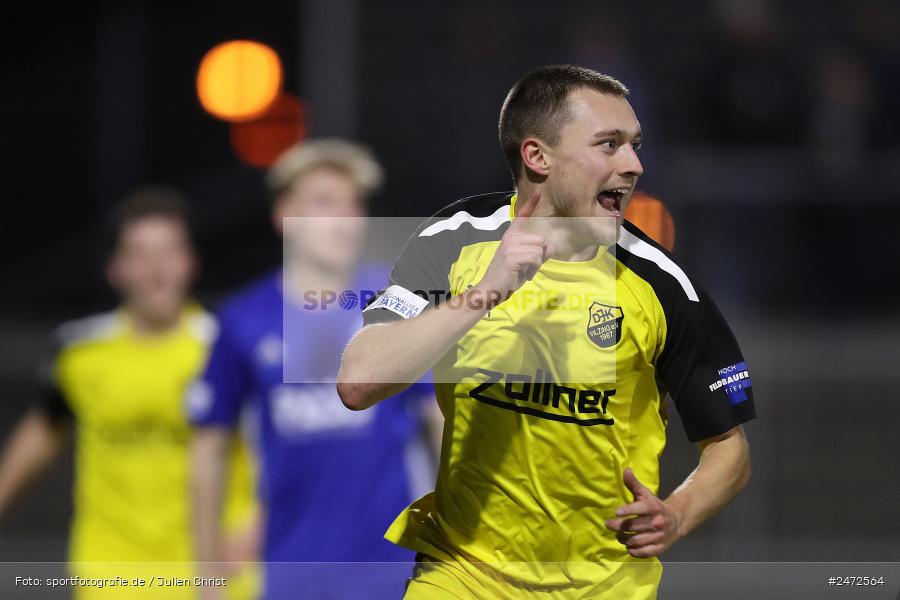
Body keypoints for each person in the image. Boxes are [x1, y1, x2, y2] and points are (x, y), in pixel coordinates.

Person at [338, 65, 756, 598]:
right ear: (538, 157)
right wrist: (484, 294)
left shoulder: (662, 283)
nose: (633, 165)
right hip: (461, 574)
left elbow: (729, 447)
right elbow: (359, 382)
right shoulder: (454, 240)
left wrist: (677, 514)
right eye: (609, 145)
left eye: (634, 145)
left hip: (603, 586)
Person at [189, 139, 440, 600]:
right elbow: (209, 448)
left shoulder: (398, 304)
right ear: (284, 215)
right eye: (324, 202)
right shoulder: (243, 319)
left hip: (397, 574)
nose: (345, 218)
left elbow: (444, 420)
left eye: (354, 204)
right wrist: (207, 581)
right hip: (291, 574)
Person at [0, 188, 259, 600]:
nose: (157, 269)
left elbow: (278, 438)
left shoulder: (227, 347)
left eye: (169, 251)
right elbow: (48, 425)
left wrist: (259, 521)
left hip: (215, 576)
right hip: (111, 577)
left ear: (190, 262)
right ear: (116, 269)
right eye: (140, 254)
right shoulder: (80, 352)